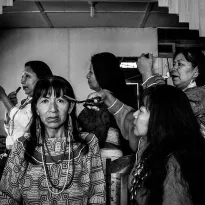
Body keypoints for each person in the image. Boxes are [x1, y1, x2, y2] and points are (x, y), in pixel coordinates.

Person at [87, 84, 205, 205]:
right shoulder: (148, 144)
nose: (135, 114)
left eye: (141, 111)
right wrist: (105, 96)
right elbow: (124, 114)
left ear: (158, 118)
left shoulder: (174, 164)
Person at [0, 75, 106, 204]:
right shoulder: (22, 146)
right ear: (36, 109)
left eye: (60, 100)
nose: (53, 109)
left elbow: (98, 195)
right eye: (45, 101)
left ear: (71, 106)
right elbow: (7, 197)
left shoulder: (89, 143)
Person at [138, 49, 205, 136]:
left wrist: (146, 73)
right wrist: (160, 89)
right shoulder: (182, 94)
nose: (173, 68)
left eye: (180, 64)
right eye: (174, 64)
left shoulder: (200, 95)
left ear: (196, 72)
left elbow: (161, 115)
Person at [0, 61, 53, 150]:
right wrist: (9, 107)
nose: (22, 81)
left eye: (27, 76)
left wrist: (4, 98)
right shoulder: (26, 103)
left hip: (27, 155)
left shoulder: (45, 102)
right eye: (22, 76)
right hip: (14, 153)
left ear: (41, 80)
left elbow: (27, 124)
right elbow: (9, 129)